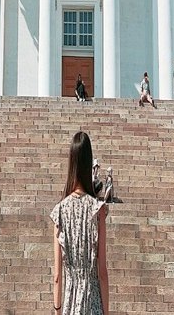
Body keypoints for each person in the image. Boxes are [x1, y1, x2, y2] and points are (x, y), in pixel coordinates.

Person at [51, 131, 108, 315]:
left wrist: (57, 309)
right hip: (93, 303)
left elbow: (58, 276)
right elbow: (102, 272)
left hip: (69, 303)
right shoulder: (97, 209)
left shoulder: (59, 211)